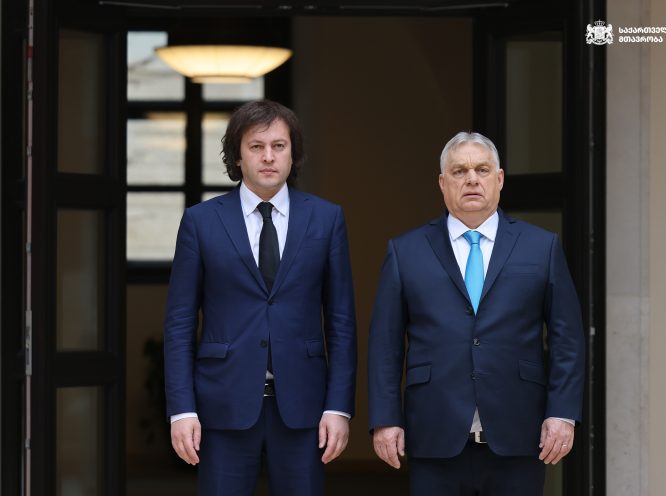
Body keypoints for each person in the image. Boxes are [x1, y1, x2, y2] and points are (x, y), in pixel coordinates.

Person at [367, 131, 585, 495]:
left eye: (482, 170)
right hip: (434, 435)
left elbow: (568, 339)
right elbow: (384, 345)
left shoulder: (541, 247)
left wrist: (562, 413)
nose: (471, 179)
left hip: (519, 433)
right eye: (459, 171)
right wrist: (385, 419)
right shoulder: (405, 251)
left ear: (499, 179)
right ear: (442, 183)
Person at [164, 99, 357, 496]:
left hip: (304, 406)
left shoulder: (326, 219)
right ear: (237, 156)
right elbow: (180, 323)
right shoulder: (201, 221)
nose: (268, 156)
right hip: (222, 404)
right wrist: (181, 409)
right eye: (256, 146)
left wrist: (338, 406)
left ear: (293, 153)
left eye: (279, 146)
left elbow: (341, 322)